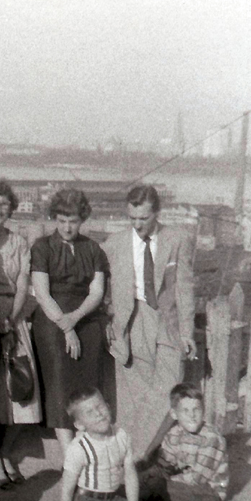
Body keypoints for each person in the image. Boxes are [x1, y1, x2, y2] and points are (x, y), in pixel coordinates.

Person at [102, 185, 196, 461]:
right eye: (132, 218)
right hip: (132, 321)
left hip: (168, 320)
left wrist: (188, 332)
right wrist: (109, 314)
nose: (137, 224)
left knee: (169, 387)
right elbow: (99, 279)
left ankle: (148, 450)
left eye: (143, 218)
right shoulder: (115, 242)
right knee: (136, 393)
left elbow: (185, 288)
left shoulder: (177, 239)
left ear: (157, 212)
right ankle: (136, 457)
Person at [31, 190, 108, 463]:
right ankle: (70, 458)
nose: (67, 227)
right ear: (55, 217)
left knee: (86, 385)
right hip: (53, 322)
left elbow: (96, 292)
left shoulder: (93, 249)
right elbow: (42, 293)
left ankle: (87, 446)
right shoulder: (42, 247)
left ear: (82, 219)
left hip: (85, 320)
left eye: (73, 221)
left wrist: (74, 320)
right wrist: (66, 327)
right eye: (62, 220)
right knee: (60, 385)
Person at [0, 180, 41, 486]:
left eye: (4, 204)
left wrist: (11, 320)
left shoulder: (19, 242)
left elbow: (24, 283)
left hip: (14, 317)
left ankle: (7, 452)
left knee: (24, 389)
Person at [55, 387, 165, 501]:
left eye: (100, 407)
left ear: (108, 406)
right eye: (89, 412)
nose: (98, 414)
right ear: (80, 424)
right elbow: (67, 490)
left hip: (113, 498)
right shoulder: (78, 448)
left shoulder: (121, 436)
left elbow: (130, 475)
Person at [140, 383, 229, 501]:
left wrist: (164, 481)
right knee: (146, 480)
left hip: (210, 492)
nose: (192, 415)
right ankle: (139, 497)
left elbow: (198, 478)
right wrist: (149, 474)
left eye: (196, 409)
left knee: (158, 487)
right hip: (186, 485)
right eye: (185, 410)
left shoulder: (211, 438)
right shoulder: (174, 434)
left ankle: (142, 500)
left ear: (203, 410)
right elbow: (164, 465)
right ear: (174, 414)